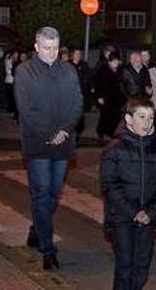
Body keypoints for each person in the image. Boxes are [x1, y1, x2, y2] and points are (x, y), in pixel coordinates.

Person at [15, 27, 83, 271]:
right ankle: (47, 249)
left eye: (55, 48)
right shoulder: (25, 71)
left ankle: (36, 228)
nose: (51, 53)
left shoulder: (68, 70)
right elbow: (26, 109)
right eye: (46, 48)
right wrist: (50, 133)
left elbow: (77, 102)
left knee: (52, 195)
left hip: (63, 143)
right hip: (38, 143)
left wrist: (64, 129)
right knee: (42, 194)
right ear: (36, 47)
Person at [100, 97, 156, 290]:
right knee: (125, 266)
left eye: (150, 118)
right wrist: (133, 211)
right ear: (129, 119)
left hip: (148, 218)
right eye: (141, 117)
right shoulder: (115, 149)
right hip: (122, 217)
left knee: (141, 266)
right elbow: (110, 185)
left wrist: (152, 212)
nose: (146, 123)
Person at [94, 52, 126, 140]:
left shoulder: (121, 70)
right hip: (106, 98)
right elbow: (97, 84)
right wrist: (99, 96)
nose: (115, 64)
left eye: (117, 62)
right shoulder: (103, 70)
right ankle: (101, 131)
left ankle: (110, 132)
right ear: (109, 62)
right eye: (113, 62)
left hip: (118, 98)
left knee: (116, 116)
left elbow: (123, 83)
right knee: (105, 116)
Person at [69, 49, 92, 137]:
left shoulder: (84, 64)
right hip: (71, 96)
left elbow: (88, 76)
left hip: (82, 94)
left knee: (80, 117)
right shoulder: (68, 65)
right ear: (73, 55)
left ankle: (78, 133)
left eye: (79, 54)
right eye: (77, 54)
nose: (79, 55)